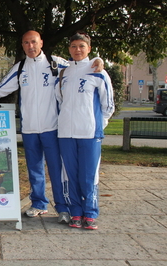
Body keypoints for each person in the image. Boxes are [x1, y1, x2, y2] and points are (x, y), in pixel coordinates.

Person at [0, 30, 103, 223]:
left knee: (56, 170)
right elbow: (0, 89)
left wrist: (98, 60)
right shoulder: (20, 68)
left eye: (33, 42)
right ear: (22, 45)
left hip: (52, 128)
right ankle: (39, 203)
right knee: (34, 170)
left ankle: (62, 208)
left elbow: (80, 65)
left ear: (41, 43)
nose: (30, 46)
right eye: (26, 43)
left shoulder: (56, 64)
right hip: (29, 129)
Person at [56, 32, 115, 230]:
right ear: (69, 49)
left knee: (88, 176)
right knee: (70, 175)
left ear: (89, 48)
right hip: (66, 133)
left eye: (82, 46)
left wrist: (98, 123)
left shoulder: (98, 71)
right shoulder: (64, 73)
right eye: (73, 46)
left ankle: (90, 213)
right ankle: (76, 212)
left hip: (90, 134)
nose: (77, 50)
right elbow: (60, 100)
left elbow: (108, 105)